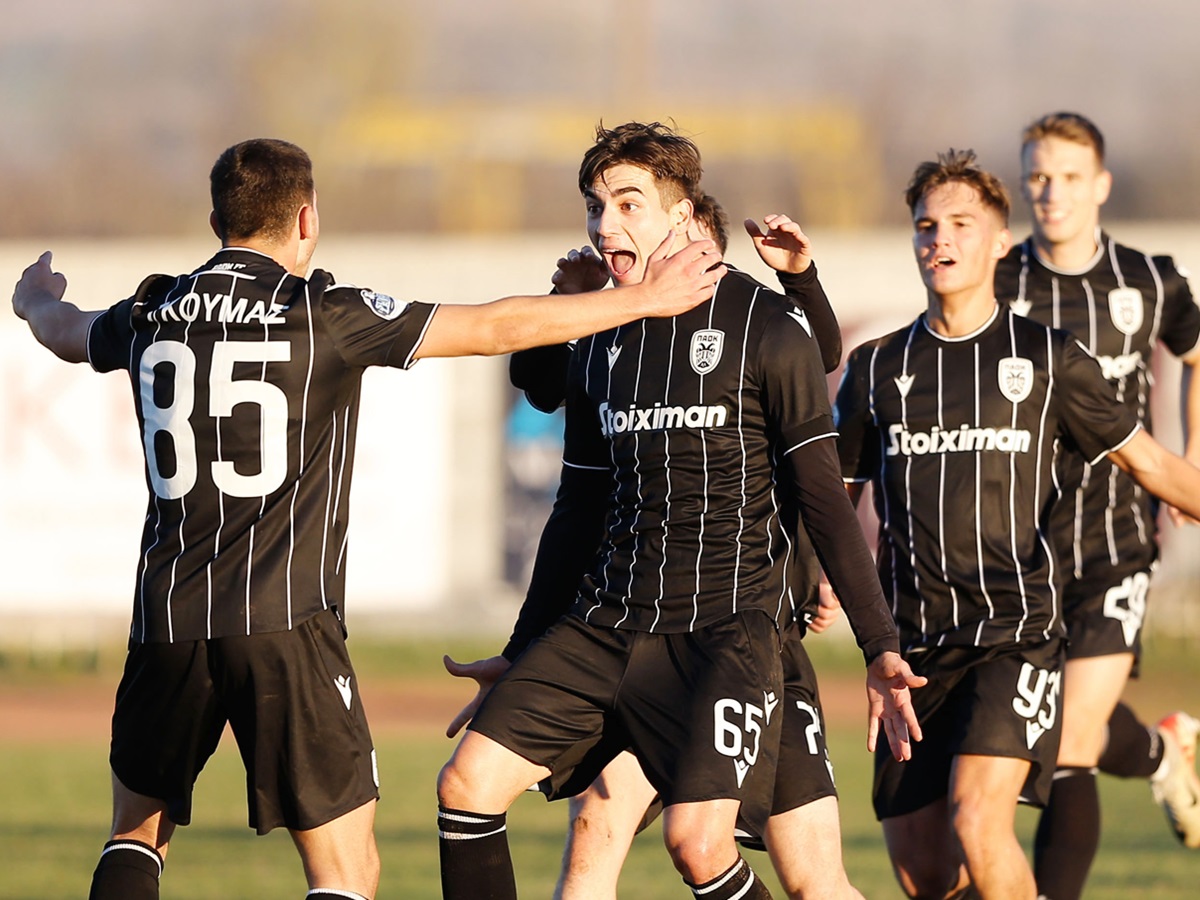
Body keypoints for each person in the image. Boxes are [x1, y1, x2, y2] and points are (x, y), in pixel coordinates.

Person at [8, 137, 726, 900]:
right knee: (346, 870)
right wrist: (642, 299)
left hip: (165, 621)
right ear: (307, 219)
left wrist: (34, 300)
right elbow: (494, 328)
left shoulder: (153, 311)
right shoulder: (322, 312)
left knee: (135, 833)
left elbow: (65, 331)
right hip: (285, 622)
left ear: (218, 221)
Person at [436, 122, 922, 900]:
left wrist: (879, 645)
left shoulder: (766, 326)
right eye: (595, 207)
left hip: (729, 636)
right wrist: (523, 646)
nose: (606, 225)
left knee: (735, 856)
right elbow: (577, 503)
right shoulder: (601, 336)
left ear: (683, 215)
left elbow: (823, 496)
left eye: (628, 204)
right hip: (608, 626)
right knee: (468, 788)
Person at [833, 148, 1200, 900]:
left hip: (1016, 633)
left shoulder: (1048, 358)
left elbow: (1153, 465)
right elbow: (832, 497)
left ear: (1001, 241)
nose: (941, 238)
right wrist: (810, 577)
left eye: (961, 224)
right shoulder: (876, 369)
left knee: (979, 820)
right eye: (926, 225)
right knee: (928, 876)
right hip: (912, 648)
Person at [992, 111, 1200, 897]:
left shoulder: (1149, 280)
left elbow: (1197, 354)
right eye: (1039, 177)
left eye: (1070, 178)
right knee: (1048, 722)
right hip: (1020, 543)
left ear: (1101, 186)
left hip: (1116, 538)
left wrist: (1188, 459)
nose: (1053, 193)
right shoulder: (999, 279)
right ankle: (1161, 752)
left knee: (1071, 740)